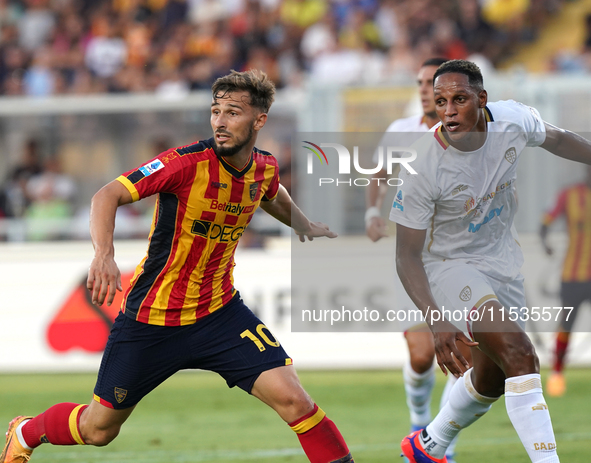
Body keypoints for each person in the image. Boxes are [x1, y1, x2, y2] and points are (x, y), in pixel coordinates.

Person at [1, 70, 354, 463]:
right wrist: (104, 254)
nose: (220, 121)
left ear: (259, 121)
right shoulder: (185, 164)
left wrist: (303, 224)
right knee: (98, 429)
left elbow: (271, 192)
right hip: (152, 319)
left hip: (220, 315)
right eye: (215, 111)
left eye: (232, 113)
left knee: (295, 401)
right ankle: (26, 432)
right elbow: (108, 194)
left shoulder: (264, 167)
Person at [389, 59, 587, 463]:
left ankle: (427, 445)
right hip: (449, 266)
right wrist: (436, 319)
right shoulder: (423, 163)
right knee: (520, 353)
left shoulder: (512, 120)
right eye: (441, 101)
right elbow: (406, 255)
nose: (447, 110)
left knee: (491, 378)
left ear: (482, 99)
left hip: (504, 263)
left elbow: (559, 138)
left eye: (459, 99)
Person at [365, 57, 470, 463]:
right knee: (423, 354)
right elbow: (378, 173)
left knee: (462, 355)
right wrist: (373, 214)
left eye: (433, 82)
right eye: (422, 82)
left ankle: (440, 446)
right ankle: (418, 421)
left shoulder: (469, 133)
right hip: (412, 256)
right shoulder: (401, 132)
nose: (426, 89)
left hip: (457, 257)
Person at [539, 164, 591, 397]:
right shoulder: (569, 195)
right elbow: (545, 222)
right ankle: (557, 373)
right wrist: (545, 242)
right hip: (573, 275)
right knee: (567, 325)